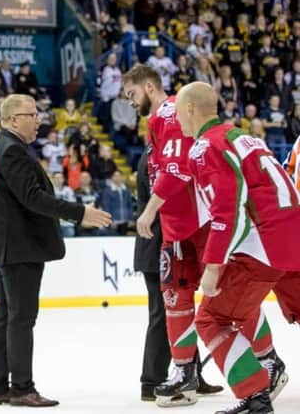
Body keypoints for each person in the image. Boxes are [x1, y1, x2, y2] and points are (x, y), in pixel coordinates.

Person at [176, 81, 300, 414]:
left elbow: (227, 210)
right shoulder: (243, 137)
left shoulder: (205, 147)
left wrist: (214, 265)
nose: (178, 121)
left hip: (266, 245)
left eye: (178, 113)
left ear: (190, 109)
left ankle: (255, 396)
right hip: (294, 237)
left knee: (212, 319)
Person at [0, 94, 111, 407]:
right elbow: (33, 198)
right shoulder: (11, 150)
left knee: (7, 316)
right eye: (32, 114)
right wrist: (80, 213)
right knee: (21, 319)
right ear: (13, 119)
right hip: (20, 247)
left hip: (6, 245)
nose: (39, 120)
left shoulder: (1, 146)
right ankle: (22, 388)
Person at [123, 64, 222, 407]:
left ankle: (187, 374)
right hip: (167, 234)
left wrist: (151, 211)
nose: (130, 102)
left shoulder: (166, 119)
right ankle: (162, 378)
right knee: (170, 307)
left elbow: (175, 171)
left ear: (149, 87)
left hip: (176, 229)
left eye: (132, 93)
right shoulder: (159, 131)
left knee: (183, 306)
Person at [134, 148, 170, 401]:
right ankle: (151, 381)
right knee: (162, 314)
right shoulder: (155, 159)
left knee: (178, 311)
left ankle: (191, 372)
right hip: (155, 245)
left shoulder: (154, 155)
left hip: (158, 245)